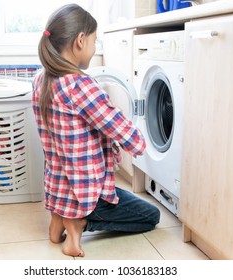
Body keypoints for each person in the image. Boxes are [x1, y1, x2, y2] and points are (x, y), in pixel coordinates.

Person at [32, 3, 160, 257]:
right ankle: (80, 222)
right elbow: (119, 128)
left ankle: (59, 218)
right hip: (85, 191)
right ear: (80, 40)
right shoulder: (81, 85)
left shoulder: (41, 79)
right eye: (94, 42)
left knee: (117, 195)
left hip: (58, 186)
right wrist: (142, 142)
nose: (94, 48)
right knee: (150, 215)